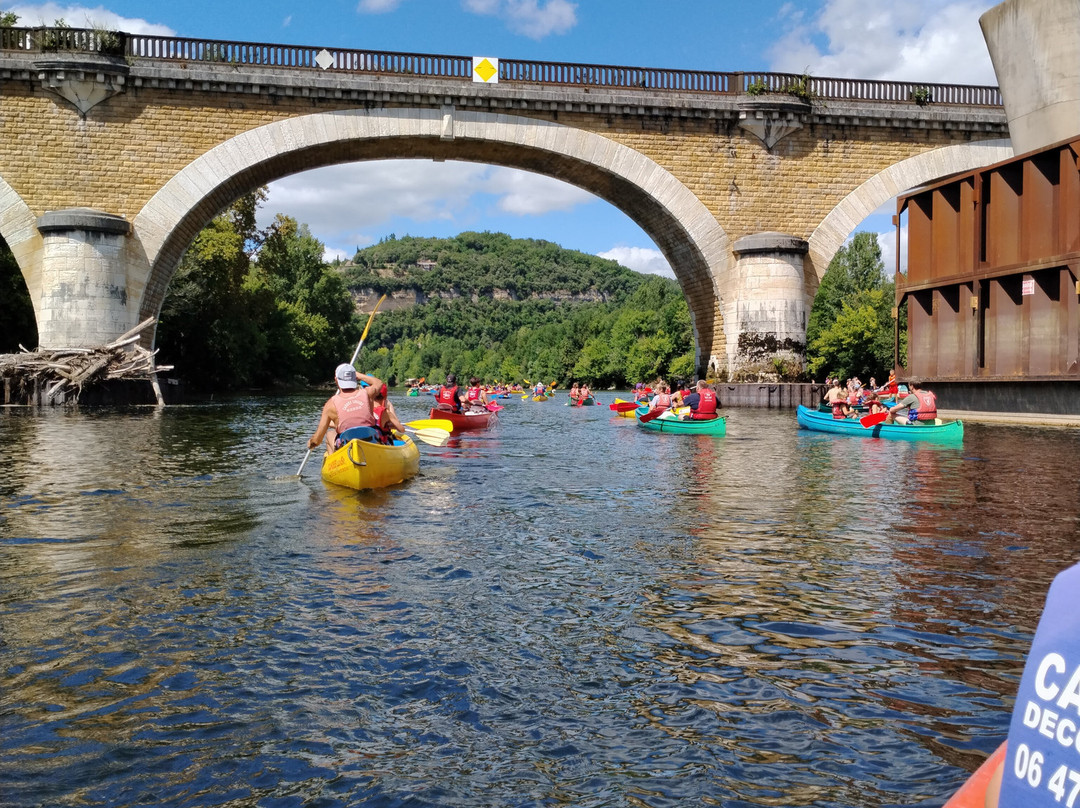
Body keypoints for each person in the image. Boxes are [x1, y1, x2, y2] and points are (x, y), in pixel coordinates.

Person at [307, 363, 385, 452]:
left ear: (336, 380)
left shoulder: (330, 404)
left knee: (329, 434)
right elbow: (379, 383)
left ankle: (335, 463)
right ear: (355, 378)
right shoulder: (368, 393)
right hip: (370, 442)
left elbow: (317, 440)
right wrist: (359, 375)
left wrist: (311, 442)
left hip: (347, 447)